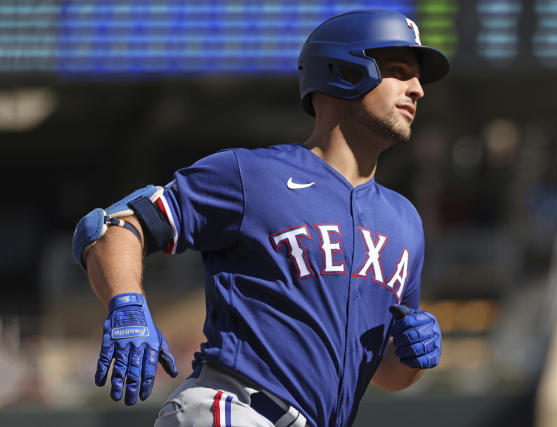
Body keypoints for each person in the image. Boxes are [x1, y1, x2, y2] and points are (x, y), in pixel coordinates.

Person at [72, 8, 449, 427]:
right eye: (399, 71)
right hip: (233, 411)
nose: (416, 89)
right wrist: (126, 304)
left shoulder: (405, 222)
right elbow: (113, 226)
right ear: (343, 70)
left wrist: (409, 358)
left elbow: (387, 375)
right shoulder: (251, 175)